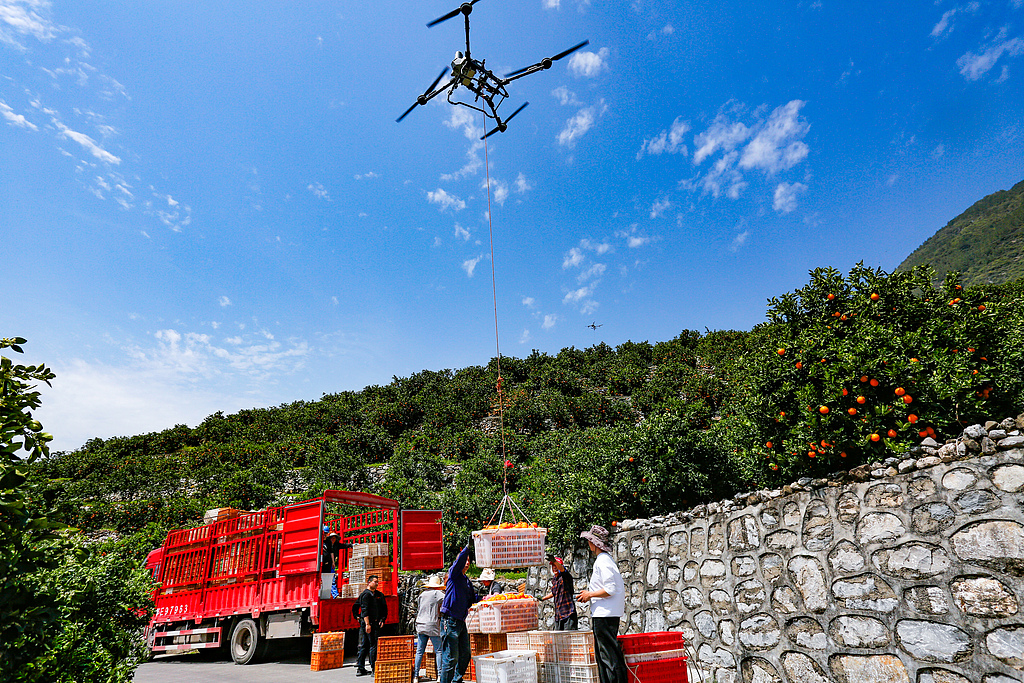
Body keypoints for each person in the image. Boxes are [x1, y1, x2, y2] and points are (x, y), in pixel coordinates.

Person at [578, 525, 627, 683]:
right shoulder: (605, 560)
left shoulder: (603, 561)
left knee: (608, 656)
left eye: (589, 541)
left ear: (594, 543)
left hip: (605, 614)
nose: (588, 544)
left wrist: (589, 594)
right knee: (606, 655)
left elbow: (610, 589)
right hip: (606, 613)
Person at [438, 545, 479, 683]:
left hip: (461, 622)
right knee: (450, 658)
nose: (467, 562)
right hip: (450, 621)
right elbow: (459, 560)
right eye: (465, 560)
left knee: (465, 655)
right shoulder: (454, 574)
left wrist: (486, 599)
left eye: (469, 560)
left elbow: (472, 599)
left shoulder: (466, 581)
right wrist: (467, 547)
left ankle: (456, 680)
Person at [413, 574, 445, 683]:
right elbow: (447, 603)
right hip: (432, 624)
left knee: (419, 651)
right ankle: (440, 675)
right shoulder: (438, 594)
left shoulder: (422, 595)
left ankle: (416, 676)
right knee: (439, 651)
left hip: (420, 623)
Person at [540, 554, 578, 630]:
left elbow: (563, 569)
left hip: (568, 613)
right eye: (553, 565)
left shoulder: (565, 576)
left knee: (568, 638)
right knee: (559, 639)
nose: (554, 567)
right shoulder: (554, 579)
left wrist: (554, 561)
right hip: (559, 614)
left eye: (556, 565)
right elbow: (554, 593)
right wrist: (542, 598)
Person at [355, 575, 381, 676]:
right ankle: (373, 668)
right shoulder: (366, 595)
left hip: (368, 622)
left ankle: (360, 668)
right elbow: (364, 610)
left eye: (377, 582)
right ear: (369, 582)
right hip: (368, 623)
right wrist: (367, 623)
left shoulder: (376, 594)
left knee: (364, 645)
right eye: (375, 582)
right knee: (372, 645)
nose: (377, 583)